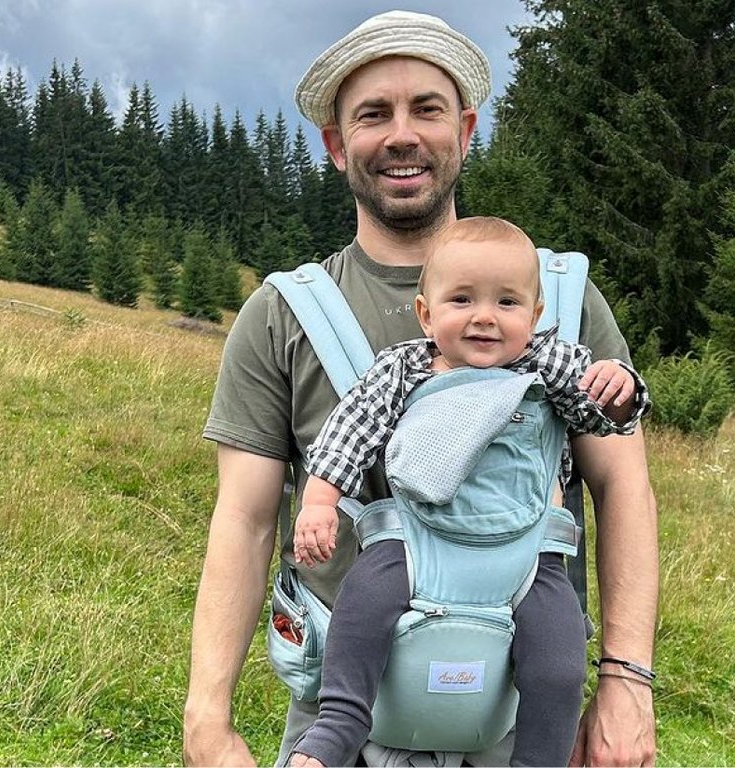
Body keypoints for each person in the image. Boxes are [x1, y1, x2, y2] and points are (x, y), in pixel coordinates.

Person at [184, 9, 658, 767]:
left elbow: (623, 486)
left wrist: (627, 681)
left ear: (464, 131)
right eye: (373, 114)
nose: (402, 135)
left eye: (427, 109)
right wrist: (207, 716)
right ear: (336, 145)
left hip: (521, 721)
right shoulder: (281, 317)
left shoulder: (562, 303)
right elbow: (243, 520)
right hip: (342, 727)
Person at [288, 216, 648, 768]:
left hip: (528, 556)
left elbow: (598, 414)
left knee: (559, 661)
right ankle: (339, 722)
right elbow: (350, 429)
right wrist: (319, 501)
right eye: (461, 299)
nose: (484, 316)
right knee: (360, 608)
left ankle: (539, 761)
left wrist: (618, 390)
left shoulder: (550, 365)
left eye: (507, 302)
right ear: (426, 313)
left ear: (535, 316)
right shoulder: (404, 369)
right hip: (416, 544)